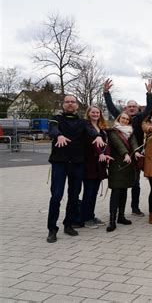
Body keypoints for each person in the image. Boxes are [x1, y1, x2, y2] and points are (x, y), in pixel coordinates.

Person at [46, 95, 105, 243]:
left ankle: (68, 224)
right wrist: (58, 135)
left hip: (77, 164)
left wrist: (97, 136)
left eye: (73, 102)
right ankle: (52, 229)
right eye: (67, 102)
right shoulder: (56, 119)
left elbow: (91, 130)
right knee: (56, 196)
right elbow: (52, 129)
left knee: (74, 196)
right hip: (60, 163)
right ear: (63, 104)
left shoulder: (82, 122)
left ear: (77, 105)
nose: (70, 104)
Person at [103, 78, 152, 217]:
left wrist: (149, 93)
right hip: (120, 156)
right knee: (120, 185)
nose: (131, 108)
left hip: (136, 155)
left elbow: (149, 108)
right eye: (129, 106)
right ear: (125, 109)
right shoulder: (121, 120)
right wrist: (106, 92)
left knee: (135, 184)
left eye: (134, 106)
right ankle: (118, 212)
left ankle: (135, 207)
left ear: (137, 108)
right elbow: (111, 107)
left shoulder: (140, 119)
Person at [106, 112, 142, 232]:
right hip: (117, 165)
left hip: (128, 165)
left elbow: (133, 143)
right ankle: (112, 220)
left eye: (127, 119)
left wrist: (136, 151)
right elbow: (118, 144)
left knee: (124, 190)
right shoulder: (113, 131)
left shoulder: (130, 131)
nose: (125, 120)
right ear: (119, 118)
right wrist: (125, 154)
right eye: (123, 118)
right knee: (116, 191)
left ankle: (121, 216)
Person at [80, 105, 112, 229]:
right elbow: (93, 143)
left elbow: (106, 144)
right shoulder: (86, 127)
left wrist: (106, 154)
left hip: (100, 164)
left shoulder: (102, 128)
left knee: (94, 192)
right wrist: (100, 153)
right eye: (93, 112)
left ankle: (91, 216)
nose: (95, 114)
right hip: (89, 164)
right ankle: (85, 218)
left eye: (97, 112)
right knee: (88, 192)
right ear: (88, 113)